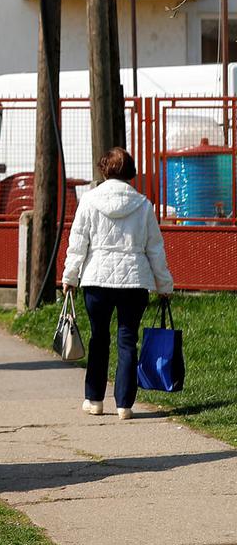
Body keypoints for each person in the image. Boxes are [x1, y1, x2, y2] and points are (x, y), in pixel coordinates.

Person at [62, 147, 174, 420]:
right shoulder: (143, 205)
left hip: (96, 280)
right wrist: (164, 285)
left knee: (99, 339)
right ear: (131, 173)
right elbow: (155, 249)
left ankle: (94, 399)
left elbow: (78, 244)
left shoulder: (89, 201)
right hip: (134, 281)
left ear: (104, 170)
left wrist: (70, 276)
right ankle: (125, 405)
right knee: (127, 341)